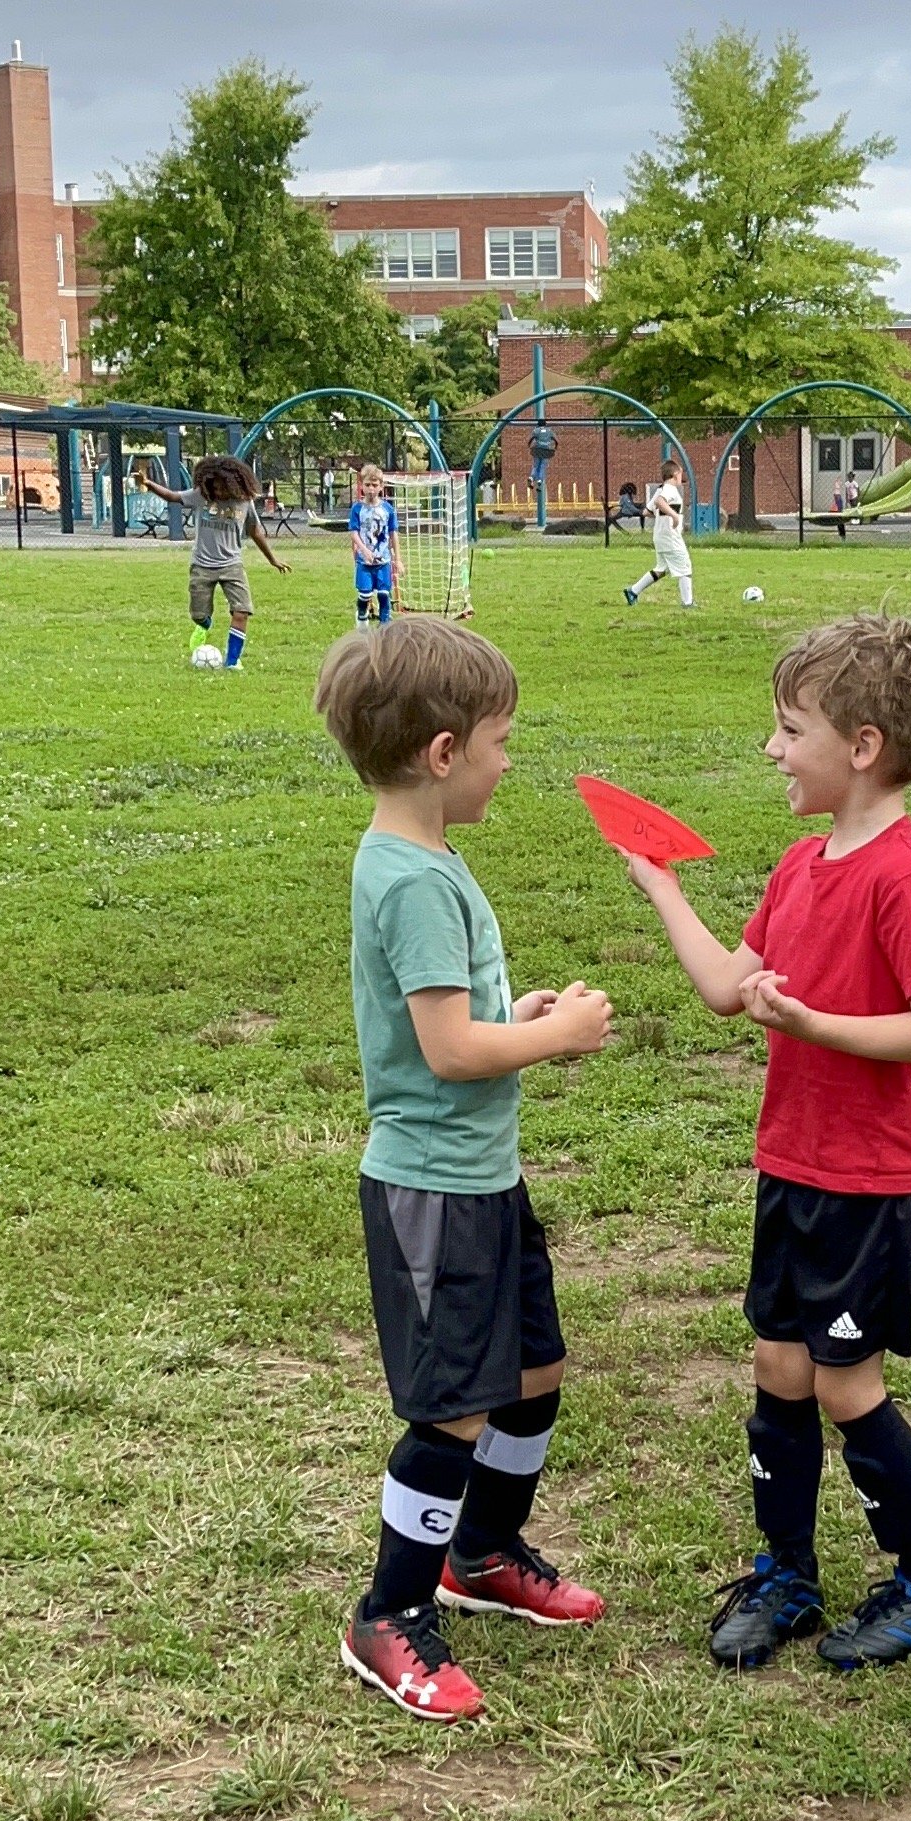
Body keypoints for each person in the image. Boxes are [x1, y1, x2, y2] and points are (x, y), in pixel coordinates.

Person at [624, 610, 911, 1673]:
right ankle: (786, 1575)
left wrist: (818, 1024)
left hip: (866, 1182)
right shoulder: (799, 865)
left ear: (860, 746)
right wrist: (663, 888)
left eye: (787, 729)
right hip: (792, 1163)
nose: (770, 749)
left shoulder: (902, 877)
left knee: (842, 1382)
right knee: (777, 1364)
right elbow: (729, 991)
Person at [315, 616, 615, 1722]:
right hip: (432, 1189)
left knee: (530, 1373)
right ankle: (388, 1613)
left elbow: (455, 1018)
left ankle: (481, 1552)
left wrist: (512, 1012)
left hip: (483, 1179)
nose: (505, 760)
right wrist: (555, 1034)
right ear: (444, 754)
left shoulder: (428, 857)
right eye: (499, 741)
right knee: (451, 1411)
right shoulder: (410, 881)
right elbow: (446, 1052)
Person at [130, 453, 287, 668]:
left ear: (235, 483)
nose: (219, 492)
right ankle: (204, 623)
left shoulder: (244, 502)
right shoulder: (201, 496)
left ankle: (232, 662)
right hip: (202, 566)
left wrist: (272, 559)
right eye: (215, 488)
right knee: (198, 615)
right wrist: (149, 484)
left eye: (224, 487)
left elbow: (255, 531)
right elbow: (173, 496)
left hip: (232, 565)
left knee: (242, 611)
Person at [623, 457, 694, 608]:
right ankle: (687, 603)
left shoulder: (660, 489)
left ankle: (633, 591)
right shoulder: (669, 490)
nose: (682, 477)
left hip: (660, 536)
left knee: (662, 569)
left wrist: (663, 513)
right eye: (680, 474)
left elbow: (647, 511)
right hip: (670, 537)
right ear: (675, 474)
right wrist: (674, 515)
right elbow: (659, 503)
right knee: (685, 566)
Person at [350, 463, 403, 626]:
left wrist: (398, 559)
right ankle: (361, 622)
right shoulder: (357, 509)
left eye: (374, 485)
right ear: (362, 486)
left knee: (384, 594)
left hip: (383, 561)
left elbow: (393, 534)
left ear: (381, 487)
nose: (371, 489)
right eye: (367, 485)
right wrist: (363, 550)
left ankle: (385, 627)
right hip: (364, 562)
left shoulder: (387, 509)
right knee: (365, 594)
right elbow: (353, 532)